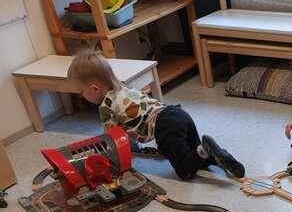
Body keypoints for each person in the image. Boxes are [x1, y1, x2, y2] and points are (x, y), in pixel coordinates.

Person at [67, 49, 245, 180]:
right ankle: (217, 155)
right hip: (176, 113)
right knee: (193, 155)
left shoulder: (106, 107)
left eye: (81, 92)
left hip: (164, 127)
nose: (81, 96)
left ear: (94, 89)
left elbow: (113, 140)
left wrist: (110, 162)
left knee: (184, 170)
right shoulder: (124, 88)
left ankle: (204, 150)